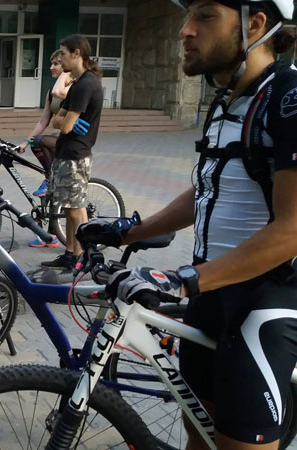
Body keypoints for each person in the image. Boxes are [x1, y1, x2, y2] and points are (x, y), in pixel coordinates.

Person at [87, 1, 297, 448]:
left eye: (204, 16)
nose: (185, 30)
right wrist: (127, 230)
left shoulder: (288, 99)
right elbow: (206, 190)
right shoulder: (225, 100)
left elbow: (292, 229)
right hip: (211, 295)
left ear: (254, 24)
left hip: (264, 303)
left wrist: (182, 281)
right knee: (198, 430)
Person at [41, 35, 103, 274]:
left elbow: (65, 125)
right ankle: (70, 254)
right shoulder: (78, 83)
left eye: (64, 54)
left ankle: (85, 257)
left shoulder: (86, 84)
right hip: (66, 153)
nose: (61, 58)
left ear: (77, 53)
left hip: (75, 155)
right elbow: (58, 119)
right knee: (68, 208)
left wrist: (63, 121)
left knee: (77, 210)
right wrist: (62, 121)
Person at [17, 49, 74, 248]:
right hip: (58, 139)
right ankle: (49, 236)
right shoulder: (51, 92)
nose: (51, 67)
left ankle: (49, 178)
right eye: (51, 64)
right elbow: (43, 120)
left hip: (72, 141)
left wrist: (67, 73)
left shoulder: (72, 88)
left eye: (57, 64)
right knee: (50, 195)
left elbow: (61, 91)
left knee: (40, 141)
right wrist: (24, 142)